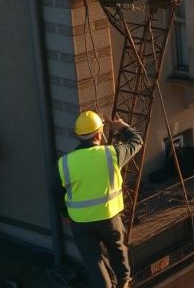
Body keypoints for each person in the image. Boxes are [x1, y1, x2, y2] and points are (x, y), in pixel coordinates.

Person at [58, 111, 143, 288]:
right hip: (108, 217)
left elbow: (55, 191)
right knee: (117, 249)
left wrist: (65, 214)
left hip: (80, 221)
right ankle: (123, 282)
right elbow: (136, 141)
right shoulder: (111, 154)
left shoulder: (64, 163)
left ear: (78, 136)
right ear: (99, 134)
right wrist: (122, 128)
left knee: (93, 258)